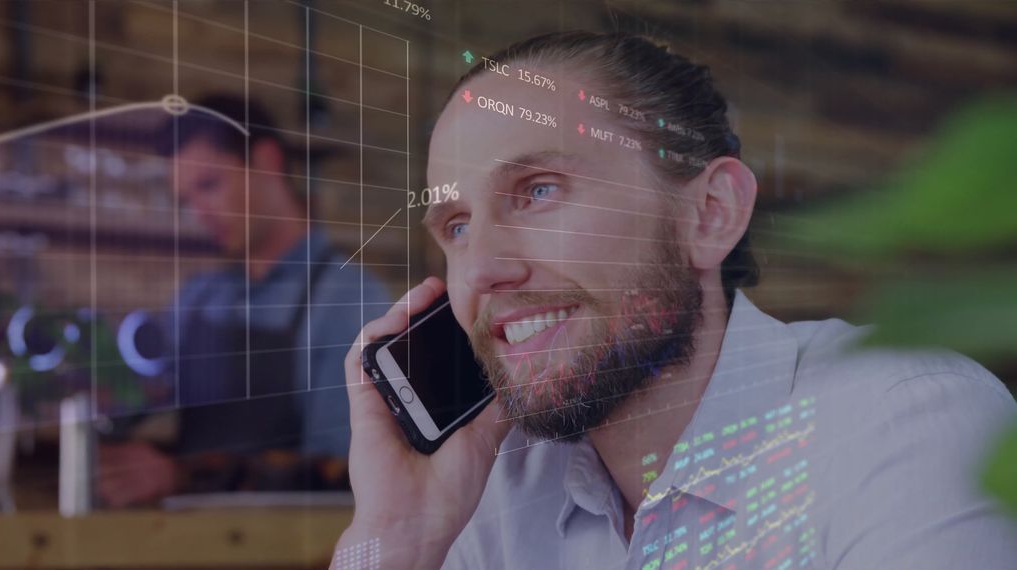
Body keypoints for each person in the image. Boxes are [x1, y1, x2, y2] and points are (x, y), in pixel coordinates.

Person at [331, 32, 1017, 569]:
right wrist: (394, 542)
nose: (480, 269)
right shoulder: (494, 491)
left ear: (711, 214)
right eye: (456, 227)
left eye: (539, 190)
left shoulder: (904, 423)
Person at [97, 94, 390, 507]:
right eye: (187, 200)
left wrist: (179, 476)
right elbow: (130, 398)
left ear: (267, 161)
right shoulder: (199, 298)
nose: (199, 212)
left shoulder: (350, 301)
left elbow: (339, 474)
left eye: (209, 186)